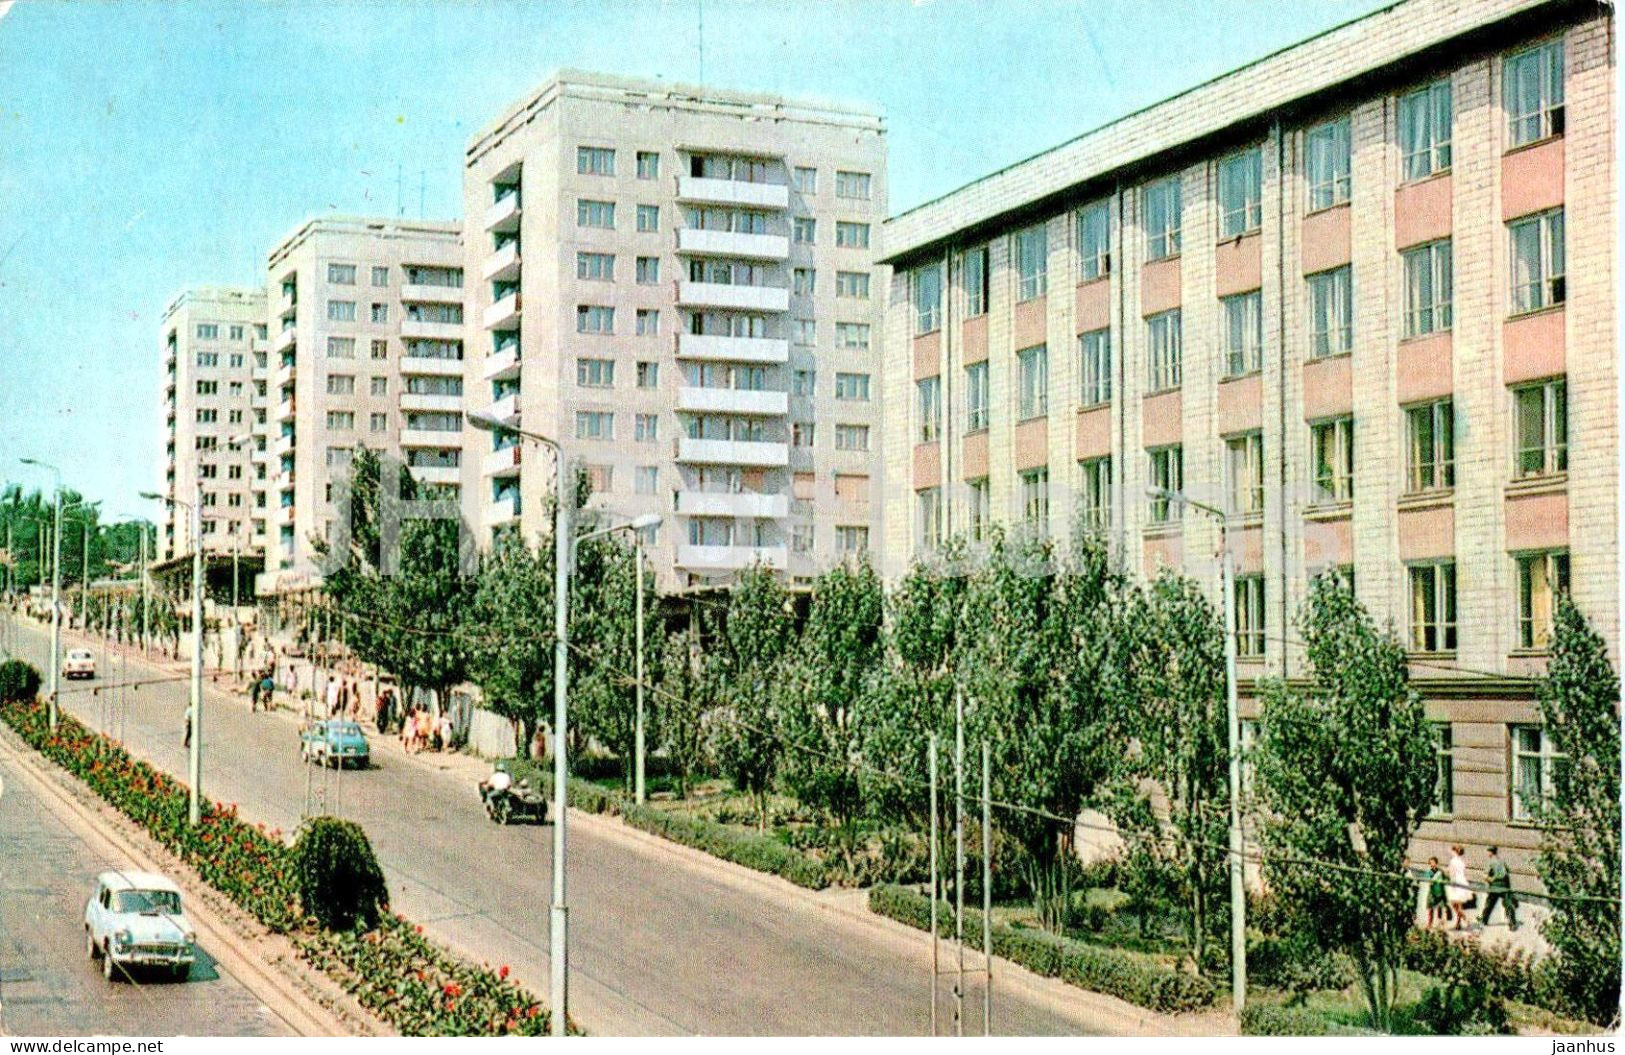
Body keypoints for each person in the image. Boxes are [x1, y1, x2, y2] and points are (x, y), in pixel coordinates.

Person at [1481, 846, 1520, 931]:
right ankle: (1512, 924)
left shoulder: (1490, 862)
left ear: (1491, 852)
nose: (1487, 853)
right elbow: (1507, 874)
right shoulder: (1502, 861)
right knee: (1509, 905)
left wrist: (1490, 880)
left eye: (1488, 851)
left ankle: (1483, 921)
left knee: (1489, 904)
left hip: (1495, 887)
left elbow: (1485, 876)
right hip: (1504, 887)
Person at [1446, 844, 1472, 930]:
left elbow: (1452, 873)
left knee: (1454, 903)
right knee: (1459, 905)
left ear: (1454, 851)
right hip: (1463, 882)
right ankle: (1458, 923)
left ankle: (1466, 920)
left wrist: (1452, 885)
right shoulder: (1461, 861)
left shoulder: (1453, 861)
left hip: (1456, 883)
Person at [1425, 856, 1448, 928]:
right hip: (1432, 892)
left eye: (1433, 862)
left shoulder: (1440, 871)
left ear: (1436, 863)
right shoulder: (1429, 872)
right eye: (1431, 862)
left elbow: (1446, 879)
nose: (1432, 864)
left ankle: (1439, 924)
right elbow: (1429, 881)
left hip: (1440, 892)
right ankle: (1429, 924)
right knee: (1430, 908)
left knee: (1439, 909)